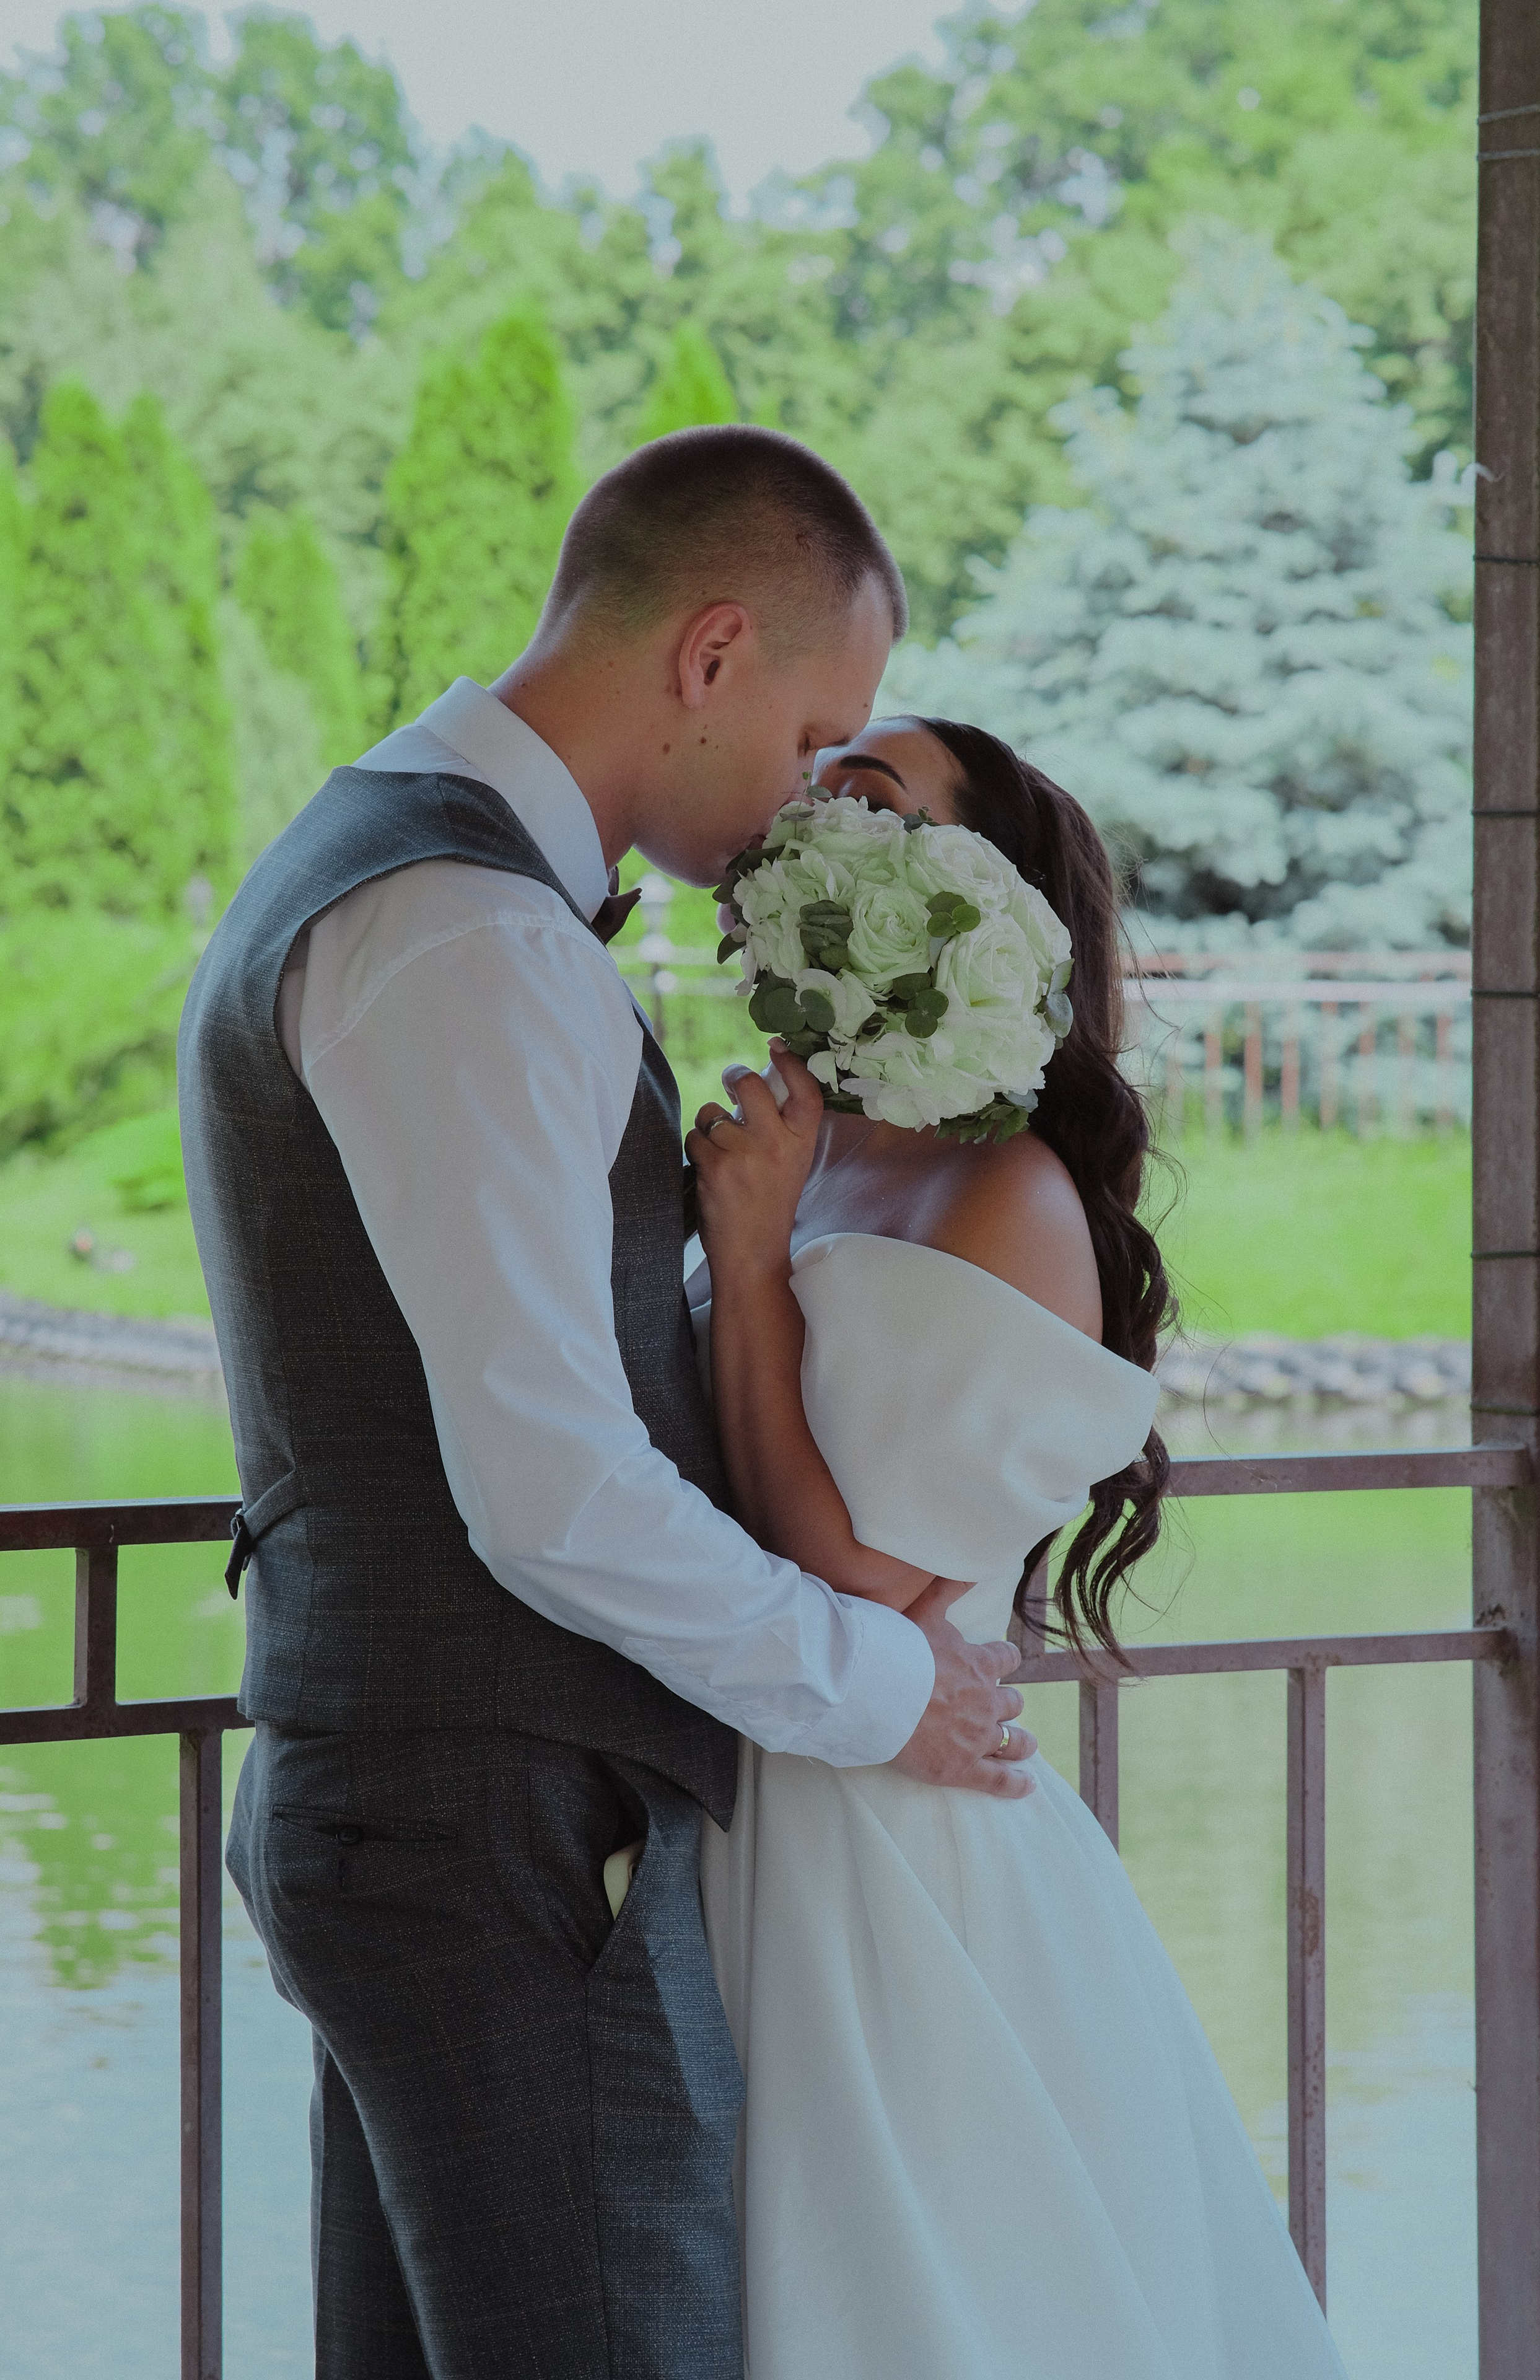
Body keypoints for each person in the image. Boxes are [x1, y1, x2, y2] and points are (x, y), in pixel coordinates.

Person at [177, 431, 1033, 2380]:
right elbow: (550, 1485)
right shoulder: (466, 935)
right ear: (712, 653)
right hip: (491, 1829)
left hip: (421, 1805)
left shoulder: (399, 870)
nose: (821, 795)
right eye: (823, 730)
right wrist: (886, 1683)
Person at [686, 715, 1350, 2379]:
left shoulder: (1014, 1196)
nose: (823, 800)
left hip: (896, 1843)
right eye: (823, 773)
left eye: (877, 790)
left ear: (978, 882)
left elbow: (853, 1581)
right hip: (729, 1793)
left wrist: (752, 1262)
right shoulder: (814, 1141)